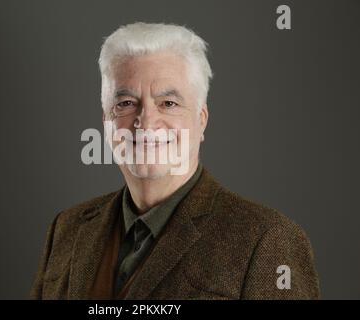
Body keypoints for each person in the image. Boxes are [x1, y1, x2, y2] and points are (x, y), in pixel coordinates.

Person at [30, 22, 320, 299]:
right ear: (106, 120)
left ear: (201, 120)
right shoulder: (66, 228)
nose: (145, 123)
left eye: (168, 103)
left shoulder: (266, 239)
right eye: (126, 104)